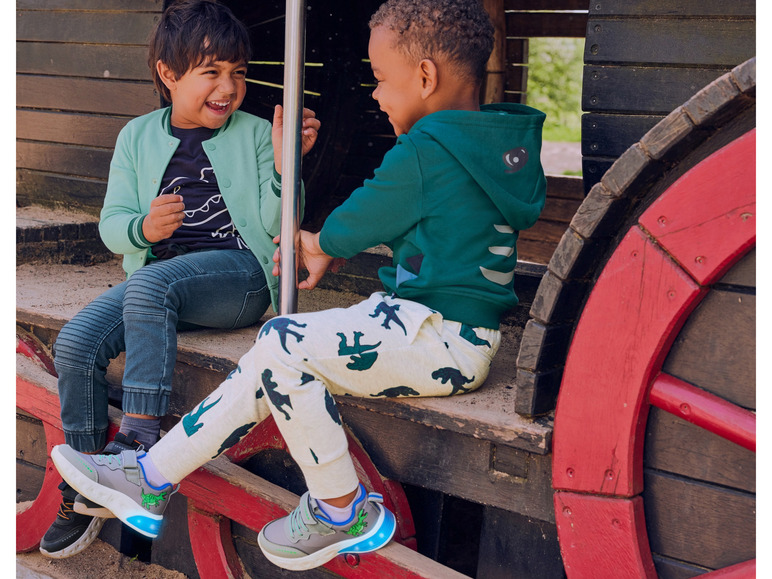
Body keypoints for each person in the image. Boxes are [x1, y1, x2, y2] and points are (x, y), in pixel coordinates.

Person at [50, 0, 547, 571]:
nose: (376, 96)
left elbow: (359, 218)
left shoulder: (426, 149)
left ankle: (340, 508)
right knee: (274, 350)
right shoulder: (492, 146)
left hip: (437, 337)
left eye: (381, 80)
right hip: (435, 327)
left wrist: (319, 243)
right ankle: (149, 477)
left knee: (284, 342)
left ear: (426, 77)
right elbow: (438, 222)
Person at [39, 0, 320, 559]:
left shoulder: (256, 134)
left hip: (238, 277)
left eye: (238, 72)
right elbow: (112, 226)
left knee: (152, 286)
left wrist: (288, 170)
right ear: (168, 75)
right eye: (211, 72)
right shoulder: (136, 137)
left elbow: (276, 227)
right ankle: (88, 488)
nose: (229, 86)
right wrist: (143, 228)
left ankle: (138, 443)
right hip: (160, 281)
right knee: (74, 344)